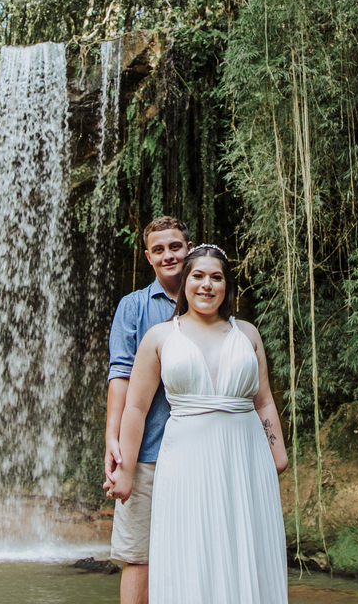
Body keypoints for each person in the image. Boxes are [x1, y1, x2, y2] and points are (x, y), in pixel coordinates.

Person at [108, 245, 289, 604]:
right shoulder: (160, 336)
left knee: (244, 547)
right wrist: (125, 472)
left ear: (227, 286)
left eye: (216, 277)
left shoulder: (248, 334)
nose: (207, 285)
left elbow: (264, 400)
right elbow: (136, 409)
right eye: (198, 276)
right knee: (192, 548)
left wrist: (277, 454)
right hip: (184, 460)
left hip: (245, 459)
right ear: (185, 283)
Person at [105, 216, 193, 604]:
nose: (168, 255)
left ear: (189, 248)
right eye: (159, 249)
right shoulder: (134, 306)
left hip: (198, 453)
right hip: (146, 453)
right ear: (148, 257)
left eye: (175, 246)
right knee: (138, 555)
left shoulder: (210, 300)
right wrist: (113, 440)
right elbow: (120, 376)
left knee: (195, 554)